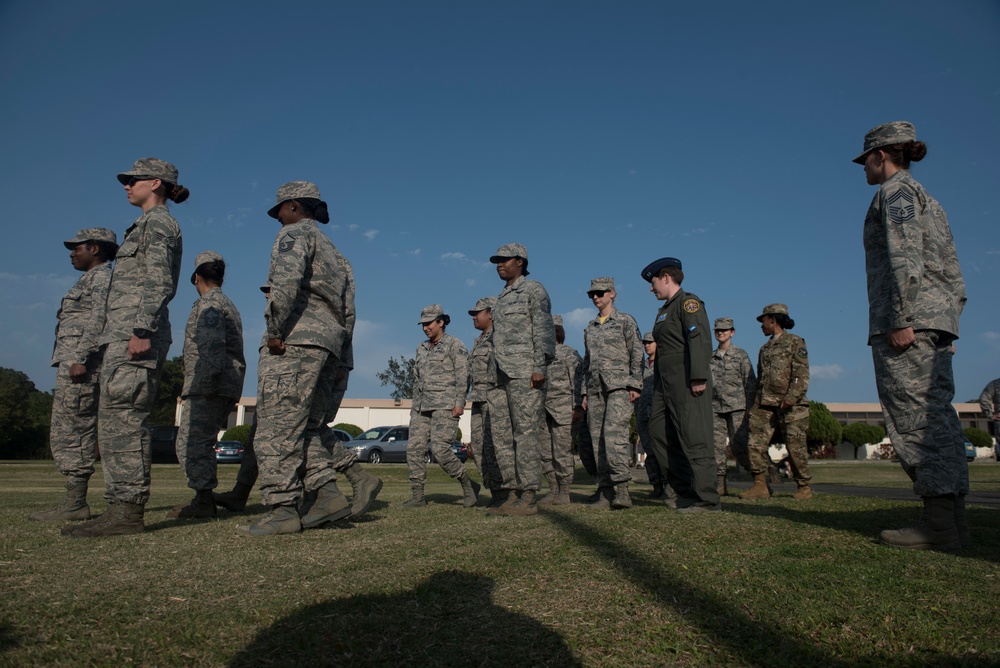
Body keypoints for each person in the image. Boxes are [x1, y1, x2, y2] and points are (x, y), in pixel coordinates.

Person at [856, 121, 969, 549]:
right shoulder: (928, 199)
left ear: (881, 155)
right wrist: (946, 325)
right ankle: (953, 520)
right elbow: (952, 268)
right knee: (938, 418)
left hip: (907, 322)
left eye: (865, 159)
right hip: (933, 321)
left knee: (915, 420)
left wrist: (903, 317)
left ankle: (940, 524)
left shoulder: (895, 193)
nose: (863, 167)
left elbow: (904, 256)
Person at [63, 158, 186, 538]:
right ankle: (118, 507)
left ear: (155, 182)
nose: (126, 186)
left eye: (132, 180)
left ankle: (128, 511)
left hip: (137, 335)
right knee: (114, 422)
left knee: (126, 421)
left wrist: (141, 329)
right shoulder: (143, 225)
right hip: (122, 335)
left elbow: (159, 280)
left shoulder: (159, 223)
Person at [239, 181, 356, 536]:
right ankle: (327, 494)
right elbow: (349, 312)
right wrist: (342, 361)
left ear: (292, 206)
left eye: (280, 213)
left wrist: (275, 329)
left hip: (295, 341)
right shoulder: (337, 255)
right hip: (328, 346)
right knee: (304, 428)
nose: (278, 220)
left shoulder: (293, 235)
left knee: (275, 430)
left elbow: (285, 283)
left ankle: (283, 510)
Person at [215, 285, 381, 519]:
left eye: (271, 288)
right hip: (312, 360)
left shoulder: (306, 313)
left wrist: (342, 363)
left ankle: (352, 478)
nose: (266, 294)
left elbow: (345, 321)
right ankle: (242, 492)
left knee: (303, 427)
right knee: (263, 429)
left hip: (315, 362)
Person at [30, 228, 117, 522]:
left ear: (95, 248)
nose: (71, 253)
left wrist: (80, 357)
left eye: (76, 247)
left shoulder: (103, 277)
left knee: (74, 430)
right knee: (66, 428)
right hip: (72, 363)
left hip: (82, 365)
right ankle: (72, 498)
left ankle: (76, 502)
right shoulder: (89, 278)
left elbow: (99, 317)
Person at [168, 251, 246, 519]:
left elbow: (212, 348)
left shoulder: (210, 305)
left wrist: (206, 382)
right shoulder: (228, 304)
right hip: (223, 384)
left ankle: (203, 499)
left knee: (192, 443)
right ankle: (203, 496)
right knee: (201, 441)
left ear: (196, 278)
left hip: (208, 385)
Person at [640, 257, 720, 512]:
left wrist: (698, 376)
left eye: (653, 282)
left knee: (696, 439)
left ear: (665, 277)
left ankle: (707, 499)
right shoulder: (665, 310)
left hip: (687, 382)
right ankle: (684, 492)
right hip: (666, 386)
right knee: (658, 433)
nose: (651, 289)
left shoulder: (688, 302)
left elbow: (700, 339)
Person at [486, 243, 555, 517]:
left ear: (520, 261)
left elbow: (543, 328)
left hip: (526, 372)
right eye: (497, 261)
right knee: (502, 436)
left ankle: (528, 493)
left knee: (525, 434)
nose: (499, 264)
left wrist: (539, 366)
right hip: (500, 375)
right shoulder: (501, 297)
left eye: (504, 260)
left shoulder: (533, 290)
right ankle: (512, 491)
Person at [402, 304, 478, 508]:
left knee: (440, 451)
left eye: (429, 323)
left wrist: (459, 403)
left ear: (441, 322)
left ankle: (468, 485)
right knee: (414, 450)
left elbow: (463, 376)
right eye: (423, 324)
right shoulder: (421, 347)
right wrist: (413, 403)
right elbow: (417, 379)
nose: (425, 328)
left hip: (445, 405)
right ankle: (418, 496)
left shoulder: (455, 345)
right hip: (421, 407)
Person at [580, 278, 643, 509]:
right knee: (597, 440)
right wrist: (584, 392)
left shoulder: (625, 320)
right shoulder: (590, 327)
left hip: (619, 387)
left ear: (612, 294)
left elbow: (637, 352)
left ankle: (623, 490)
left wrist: (635, 383)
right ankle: (605, 491)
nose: (596, 297)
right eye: (592, 294)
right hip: (596, 389)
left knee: (614, 436)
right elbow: (587, 362)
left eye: (600, 293)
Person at [739, 304, 813, 500]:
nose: (761, 325)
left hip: (792, 405)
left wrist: (791, 398)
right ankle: (760, 485)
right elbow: (760, 380)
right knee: (755, 444)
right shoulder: (765, 349)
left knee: (795, 446)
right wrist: (753, 405)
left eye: (763, 320)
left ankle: (804, 486)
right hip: (764, 404)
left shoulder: (795, 342)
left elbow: (801, 374)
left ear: (773, 319)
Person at [540, 314, 584, 506]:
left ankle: (564, 491)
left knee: (562, 453)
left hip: (563, 411)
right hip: (543, 411)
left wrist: (577, 407)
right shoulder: (539, 357)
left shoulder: (569, 354)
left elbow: (578, 381)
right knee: (544, 453)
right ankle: (552, 489)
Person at [710, 317, 755, 496]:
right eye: (718, 330)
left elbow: (749, 382)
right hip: (716, 409)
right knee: (716, 448)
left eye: (725, 330)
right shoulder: (711, 358)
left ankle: (759, 480)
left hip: (737, 407)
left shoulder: (740, 355)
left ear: (732, 332)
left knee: (740, 446)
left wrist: (750, 408)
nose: (721, 333)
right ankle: (720, 484)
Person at [467, 297, 503, 505]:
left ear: (490, 313)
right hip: (478, 399)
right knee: (479, 448)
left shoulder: (498, 337)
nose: (474, 317)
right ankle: (493, 490)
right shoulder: (479, 340)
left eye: (477, 313)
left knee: (494, 447)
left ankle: (503, 490)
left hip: (493, 398)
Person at [635, 331, 668, 500]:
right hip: (642, 413)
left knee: (663, 450)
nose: (647, 345)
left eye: (650, 342)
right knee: (649, 451)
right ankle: (656, 485)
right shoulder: (641, 366)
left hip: (658, 413)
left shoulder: (664, 363)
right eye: (645, 343)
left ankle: (669, 486)